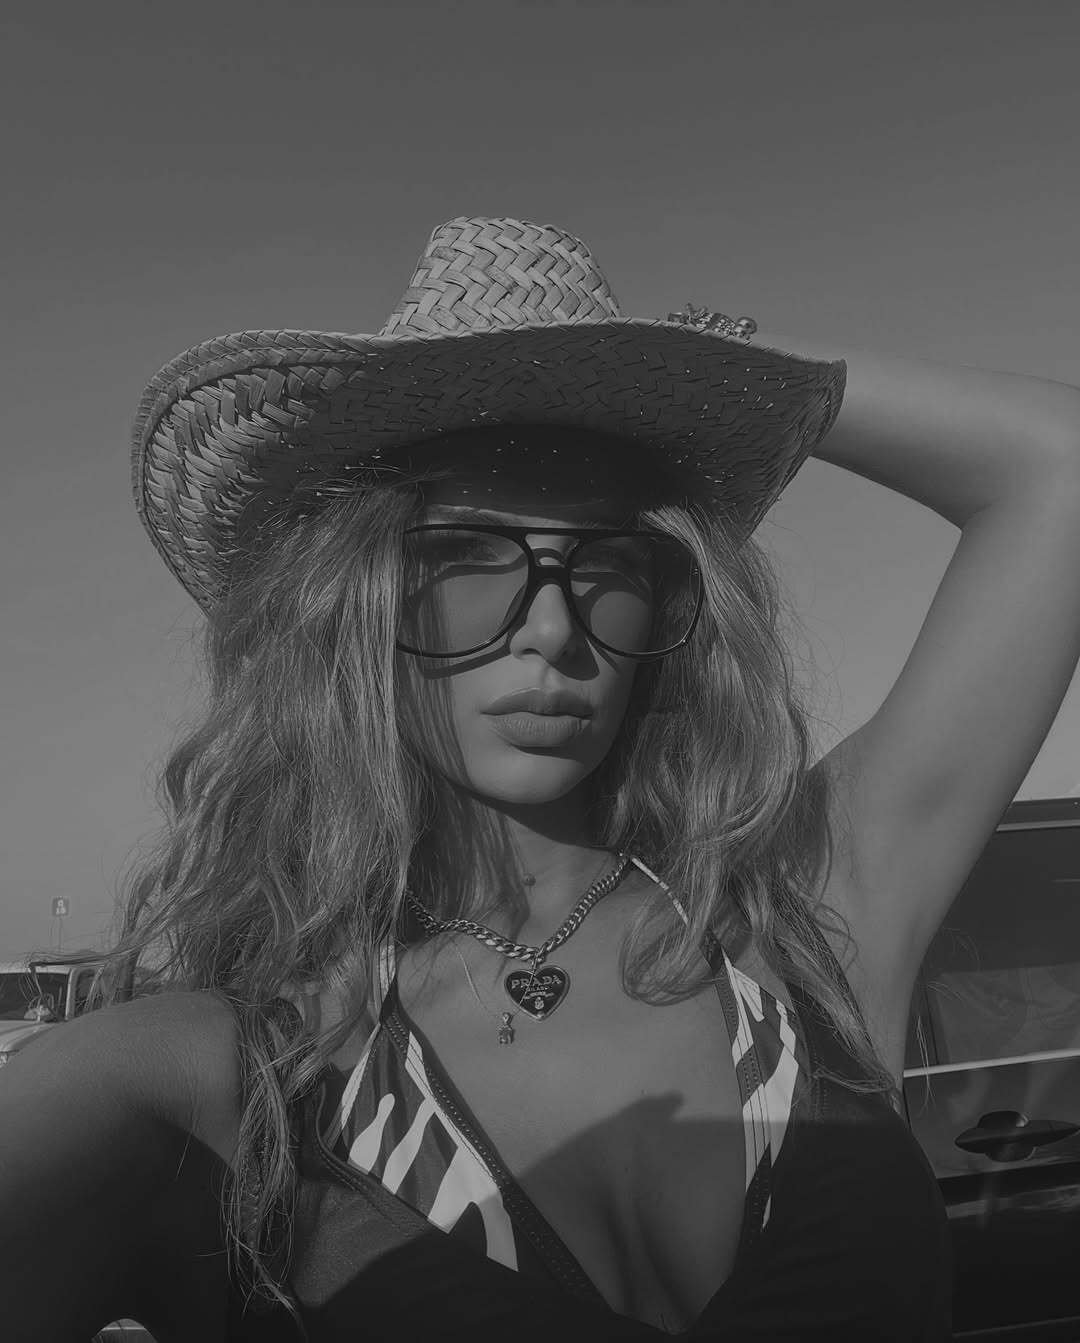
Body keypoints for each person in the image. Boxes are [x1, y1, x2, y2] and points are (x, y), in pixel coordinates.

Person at [3, 215, 1080, 1342]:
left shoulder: (805, 917)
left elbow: (1055, 463)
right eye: (468, 562)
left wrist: (711, 352)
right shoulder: (221, 1081)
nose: (554, 632)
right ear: (352, 608)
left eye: (611, 570)